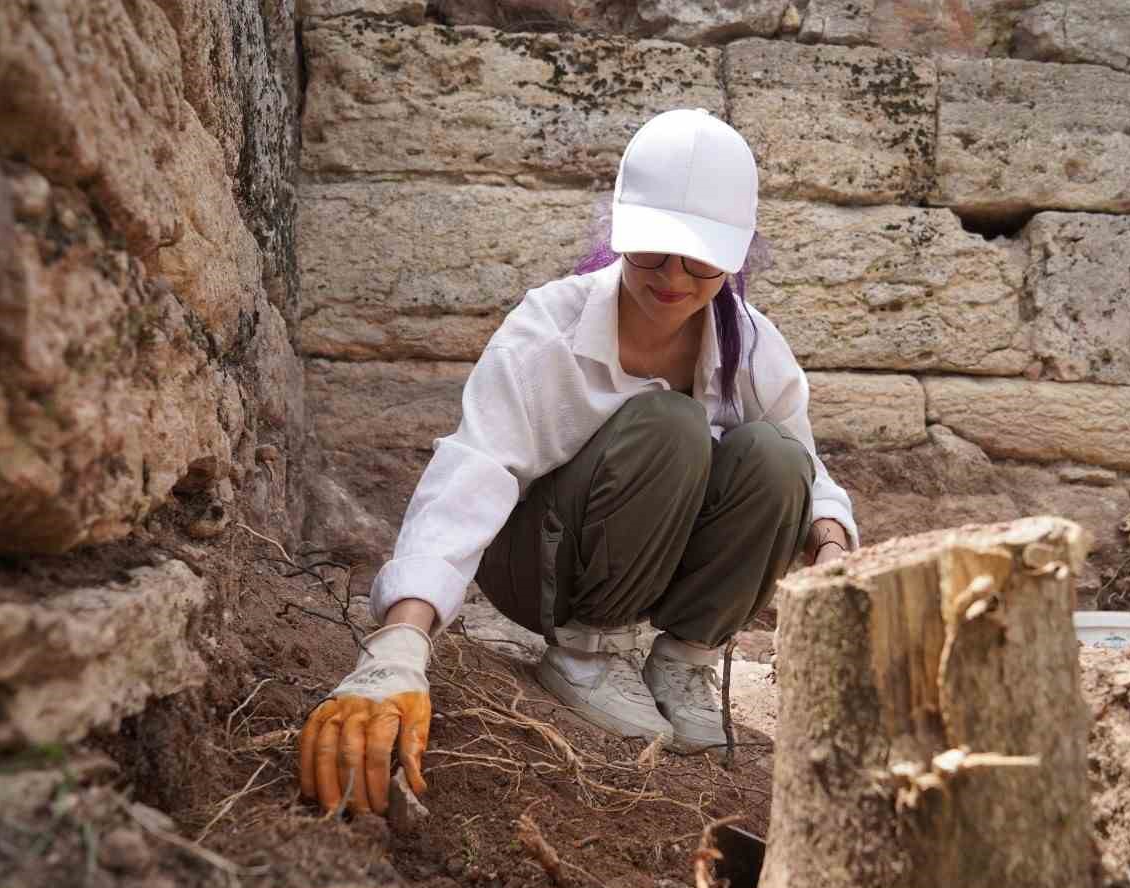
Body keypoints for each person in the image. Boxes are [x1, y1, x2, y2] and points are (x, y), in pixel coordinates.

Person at [298, 109, 858, 816]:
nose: (674, 278)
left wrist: (832, 547)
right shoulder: (548, 329)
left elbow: (807, 464)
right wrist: (401, 637)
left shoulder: (748, 343)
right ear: (620, 229)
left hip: (655, 555)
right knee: (672, 424)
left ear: (737, 255)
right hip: (542, 567)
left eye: (701, 260)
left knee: (775, 460)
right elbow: (474, 470)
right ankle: (589, 654)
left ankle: (683, 661)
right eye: (654, 250)